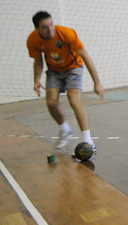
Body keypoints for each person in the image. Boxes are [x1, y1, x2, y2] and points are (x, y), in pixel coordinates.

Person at [26, 11, 104, 151]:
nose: (50, 29)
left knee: (74, 100)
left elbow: (85, 56)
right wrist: (36, 80)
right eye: (44, 27)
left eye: (51, 24)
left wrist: (96, 82)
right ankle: (65, 129)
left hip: (73, 68)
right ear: (37, 29)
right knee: (50, 102)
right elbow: (38, 61)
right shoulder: (32, 40)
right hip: (54, 71)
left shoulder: (66, 34)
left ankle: (88, 141)